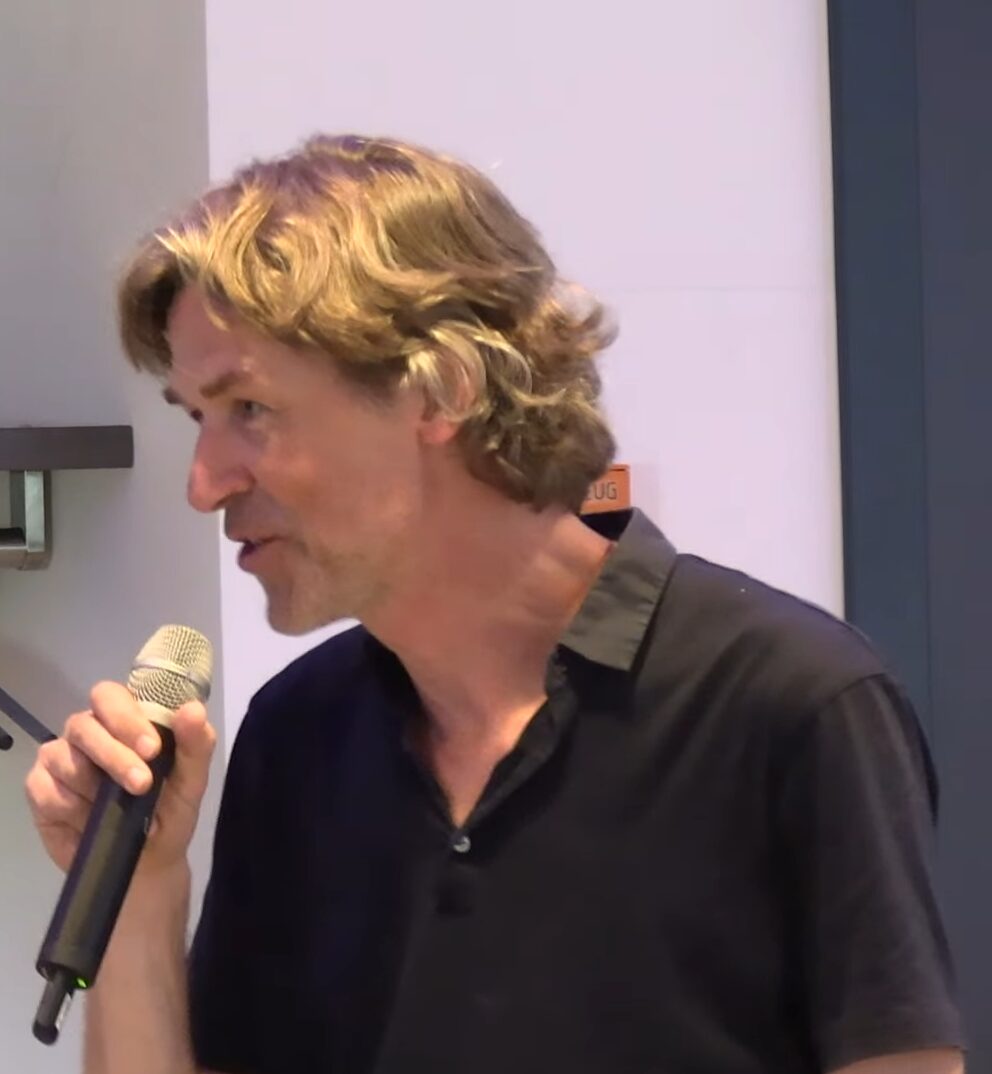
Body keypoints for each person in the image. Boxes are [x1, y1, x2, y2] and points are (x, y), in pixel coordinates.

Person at [25, 135, 964, 1074]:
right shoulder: (298, 737)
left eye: (250, 411)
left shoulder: (787, 705)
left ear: (440, 390)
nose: (205, 485)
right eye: (198, 418)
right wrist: (142, 895)